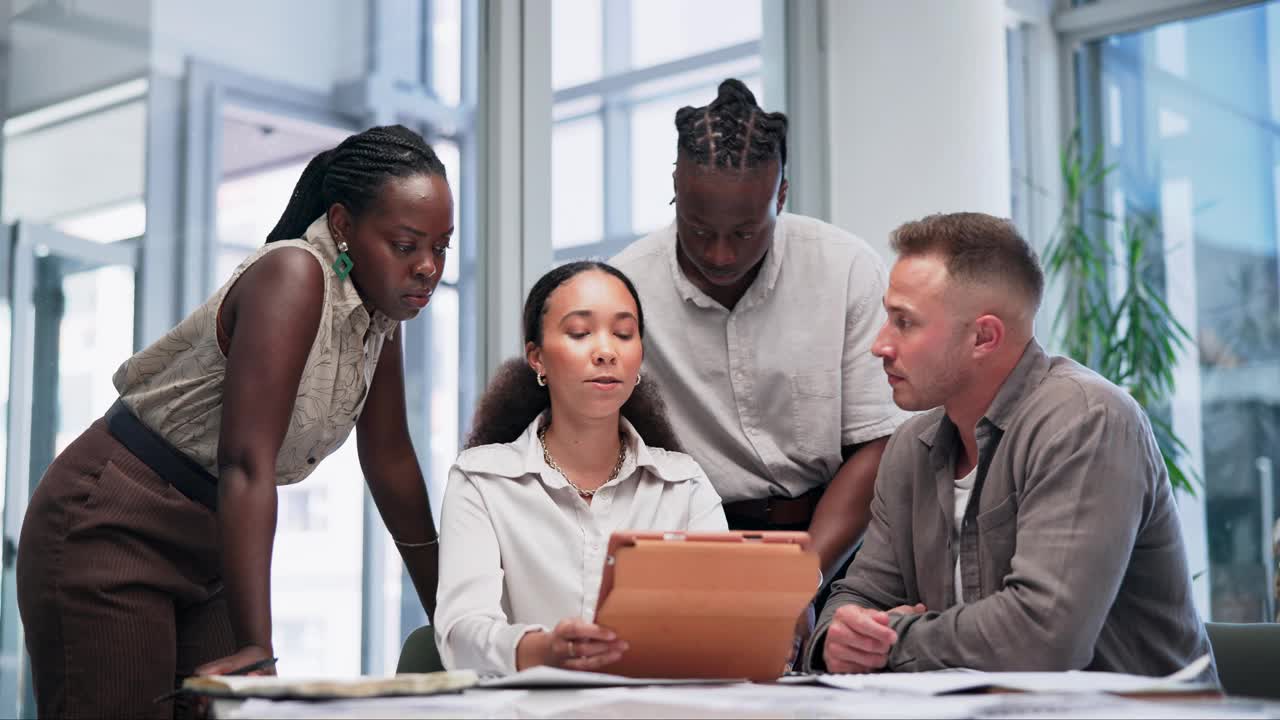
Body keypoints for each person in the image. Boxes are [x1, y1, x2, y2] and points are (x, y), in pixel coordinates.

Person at [16, 125, 449, 718]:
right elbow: (247, 462)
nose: (429, 267)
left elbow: (391, 460)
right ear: (344, 225)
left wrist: (449, 616)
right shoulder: (294, 275)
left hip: (211, 540)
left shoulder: (379, 314)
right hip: (116, 521)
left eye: (441, 247)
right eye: (406, 245)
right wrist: (258, 648)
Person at [804, 212, 1217, 679]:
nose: (880, 345)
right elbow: (856, 599)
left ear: (984, 337)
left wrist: (895, 639)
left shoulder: (1086, 420)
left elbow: (1043, 637)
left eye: (905, 322)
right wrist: (838, 641)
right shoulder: (908, 448)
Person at [611, 79, 907, 600]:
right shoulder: (624, 288)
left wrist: (800, 579)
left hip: (837, 542)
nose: (721, 255)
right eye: (699, 229)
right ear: (676, 189)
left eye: (745, 232)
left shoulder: (846, 269)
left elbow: (878, 443)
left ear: (782, 197)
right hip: (690, 543)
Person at [434, 261, 728, 676]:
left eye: (624, 334)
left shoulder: (683, 484)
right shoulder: (482, 480)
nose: (606, 351)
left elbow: (724, 622)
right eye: (579, 333)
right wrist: (542, 650)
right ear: (536, 357)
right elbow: (460, 632)